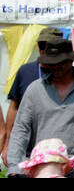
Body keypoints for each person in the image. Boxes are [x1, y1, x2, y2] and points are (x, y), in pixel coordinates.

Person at [5, 34, 74, 169]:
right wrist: (14, 165)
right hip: (42, 165)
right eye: (52, 63)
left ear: (71, 61)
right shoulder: (35, 89)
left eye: (61, 63)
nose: (56, 67)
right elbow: (21, 128)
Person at [0, 27, 61, 162]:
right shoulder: (25, 71)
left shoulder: (68, 74)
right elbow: (14, 107)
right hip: (27, 149)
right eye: (42, 45)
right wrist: (8, 144)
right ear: (38, 46)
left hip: (58, 150)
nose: (45, 50)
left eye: (51, 46)